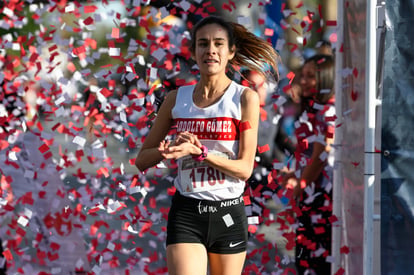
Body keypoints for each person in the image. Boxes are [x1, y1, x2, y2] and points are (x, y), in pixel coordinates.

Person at [135, 15, 279, 275]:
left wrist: (201, 153)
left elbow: (245, 169)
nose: (210, 50)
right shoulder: (175, 99)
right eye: (203, 44)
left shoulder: (245, 99)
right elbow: (142, 159)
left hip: (228, 214)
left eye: (218, 44)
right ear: (193, 52)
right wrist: (166, 151)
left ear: (230, 51)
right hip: (187, 212)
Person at [283, 54, 336, 275]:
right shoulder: (312, 111)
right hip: (312, 195)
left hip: (322, 199)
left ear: (326, 78)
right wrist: (293, 173)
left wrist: (300, 184)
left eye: (310, 76)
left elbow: (322, 153)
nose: (303, 81)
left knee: (314, 265)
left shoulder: (328, 111)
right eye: (302, 75)